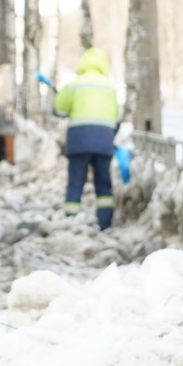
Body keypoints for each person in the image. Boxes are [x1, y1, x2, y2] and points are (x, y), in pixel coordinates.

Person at [54, 47, 120, 230]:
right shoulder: (110, 87)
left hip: (79, 141)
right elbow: (118, 117)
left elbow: (59, 110)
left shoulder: (74, 85)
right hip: (104, 141)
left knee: (76, 181)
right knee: (103, 184)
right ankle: (105, 224)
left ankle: (70, 222)